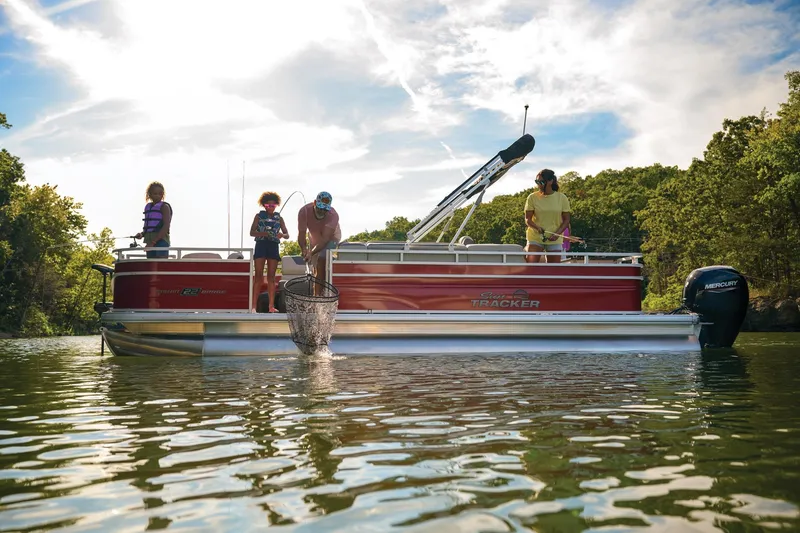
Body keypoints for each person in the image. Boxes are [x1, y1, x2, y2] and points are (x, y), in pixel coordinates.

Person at [249, 192, 289, 313]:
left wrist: (281, 235)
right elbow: (252, 232)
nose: (270, 207)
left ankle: (271, 306)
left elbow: (287, 235)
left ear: (276, 205)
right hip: (261, 245)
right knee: (259, 276)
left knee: (271, 277)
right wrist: (265, 233)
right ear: (263, 205)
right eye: (268, 205)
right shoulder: (258, 216)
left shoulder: (279, 218)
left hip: (273, 245)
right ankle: (253, 307)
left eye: (273, 205)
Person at [524, 169, 571, 264]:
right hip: (535, 237)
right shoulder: (532, 197)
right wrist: (537, 228)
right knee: (530, 267)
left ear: (550, 181)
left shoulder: (562, 198)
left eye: (541, 182)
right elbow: (527, 219)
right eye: (537, 182)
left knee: (553, 270)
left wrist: (557, 234)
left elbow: (566, 220)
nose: (538, 184)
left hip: (555, 238)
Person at [298, 191, 341, 291]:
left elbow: (325, 239)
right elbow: (301, 234)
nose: (322, 211)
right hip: (314, 238)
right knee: (315, 269)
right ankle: (317, 295)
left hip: (331, 238)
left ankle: (319, 299)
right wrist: (304, 250)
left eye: (325, 209)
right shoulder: (304, 211)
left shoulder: (333, 215)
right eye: (319, 208)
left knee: (321, 263)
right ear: (314, 203)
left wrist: (312, 252)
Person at [135, 182, 172, 259]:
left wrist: (153, 242)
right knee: (151, 264)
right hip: (149, 240)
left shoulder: (164, 207)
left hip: (161, 240)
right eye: (155, 193)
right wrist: (142, 234)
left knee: (160, 265)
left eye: (160, 194)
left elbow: (166, 226)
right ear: (149, 195)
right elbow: (149, 225)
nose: (158, 196)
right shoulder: (148, 207)